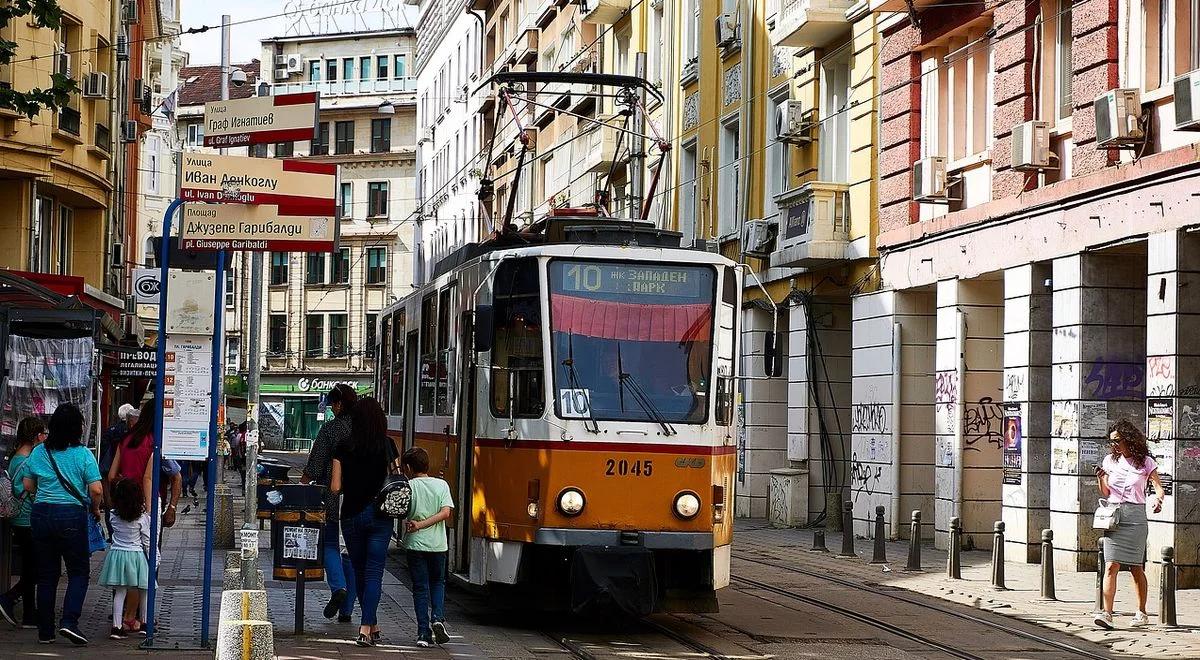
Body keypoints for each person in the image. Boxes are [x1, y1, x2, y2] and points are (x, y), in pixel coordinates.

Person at [20, 404, 103, 645]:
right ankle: (69, 622)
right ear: (78, 428)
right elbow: (96, 489)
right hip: (71, 515)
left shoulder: (39, 452)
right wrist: (95, 508)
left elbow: (27, 485)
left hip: (42, 514)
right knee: (78, 571)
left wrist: (42, 496)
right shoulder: (83, 454)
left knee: (46, 576)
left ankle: (45, 631)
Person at [331, 397, 394, 647]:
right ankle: (369, 625)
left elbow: (335, 488)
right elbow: (396, 479)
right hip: (381, 516)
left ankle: (367, 624)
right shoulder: (387, 445)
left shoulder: (343, 446)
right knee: (375, 573)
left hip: (352, 515)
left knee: (358, 571)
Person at [1094, 419, 1167, 629]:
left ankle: (1141, 612)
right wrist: (1101, 478)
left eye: (1117, 440)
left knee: (1136, 567)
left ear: (1128, 439)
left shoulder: (1145, 462)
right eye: (1112, 441)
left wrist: (1158, 500)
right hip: (1114, 516)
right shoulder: (1110, 461)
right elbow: (1106, 492)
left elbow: (1158, 487)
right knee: (1111, 565)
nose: (1114, 445)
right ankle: (1107, 613)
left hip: (1135, 517)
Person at [302, 383, 357, 623]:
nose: (333, 409)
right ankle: (347, 611)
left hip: (334, 498)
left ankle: (337, 588)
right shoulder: (365, 429)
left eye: (333, 404)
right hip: (360, 500)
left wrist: (302, 485)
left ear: (338, 404)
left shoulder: (330, 430)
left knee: (330, 545)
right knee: (352, 554)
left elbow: (315, 465)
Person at [401, 446, 454, 648]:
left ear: (408, 467)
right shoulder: (442, 485)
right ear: (427, 464)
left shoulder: (408, 486)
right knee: (438, 583)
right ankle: (437, 618)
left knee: (420, 589)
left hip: (415, 545)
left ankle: (423, 633)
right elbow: (446, 513)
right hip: (438, 545)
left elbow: (401, 511)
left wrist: (418, 524)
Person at [0, 418, 48, 628]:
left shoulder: (15, 457)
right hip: (27, 517)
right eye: (43, 433)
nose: (45, 437)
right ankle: (9, 598)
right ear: (37, 435)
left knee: (30, 567)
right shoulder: (28, 460)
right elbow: (30, 487)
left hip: (19, 516)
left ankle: (29, 613)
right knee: (35, 568)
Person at [99, 478, 150, 639]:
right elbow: (147, 540)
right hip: (136, 555)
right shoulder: (142, 517)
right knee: (144, 590)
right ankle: (145, 623)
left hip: (118, 554)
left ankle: (116, 626)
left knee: (120, 591)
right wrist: (154, 558)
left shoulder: (113, 516)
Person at [107, 399, 156, 491]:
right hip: (147, 496)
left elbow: (111, 476)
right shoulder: (154, 442)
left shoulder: (125, 439)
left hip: (126, 496)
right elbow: (147, 479)